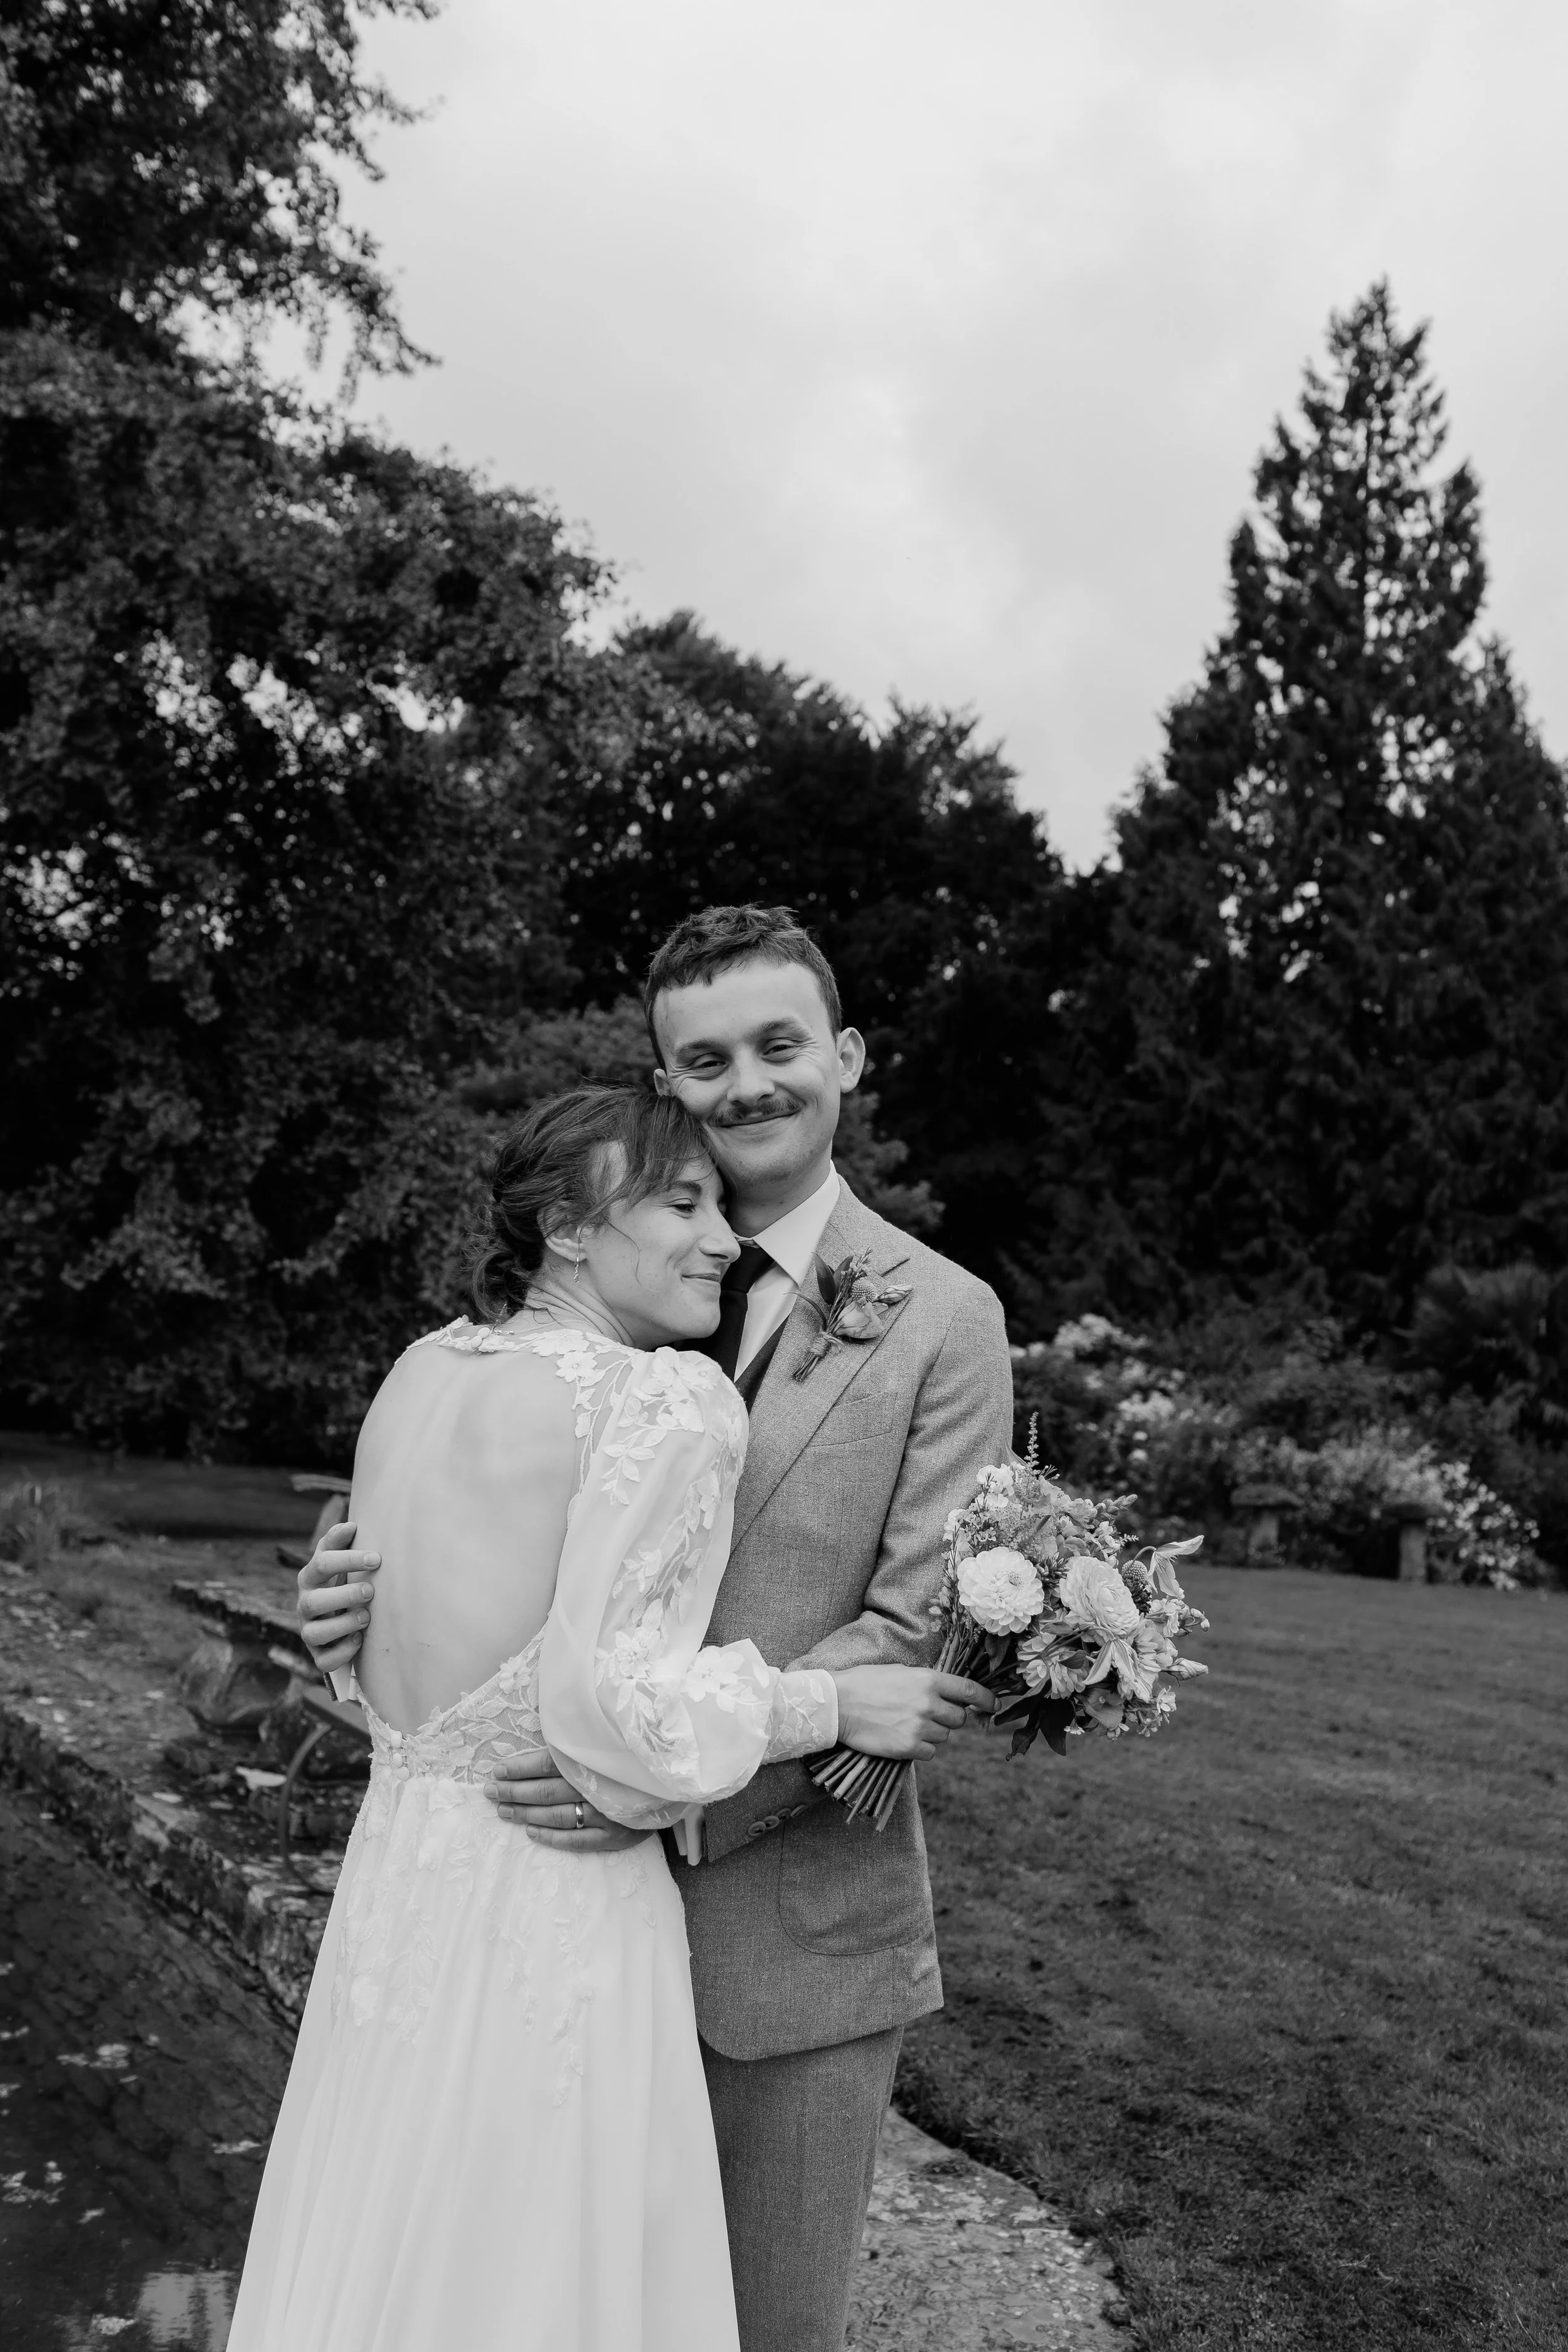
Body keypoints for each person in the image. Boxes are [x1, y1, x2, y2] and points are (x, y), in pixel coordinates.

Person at [299, 906, 1015, 2352]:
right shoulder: (618, 1301)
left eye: (777, 1045)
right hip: (538, 1920)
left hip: (785, 1932)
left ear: (847, 1058)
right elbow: (479, 1564)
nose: (744, 1082)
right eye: (702, 1058)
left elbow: (914, 1627)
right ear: (662, 1082)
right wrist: (340, 1621)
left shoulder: (945, 1316)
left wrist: (631, 1780)